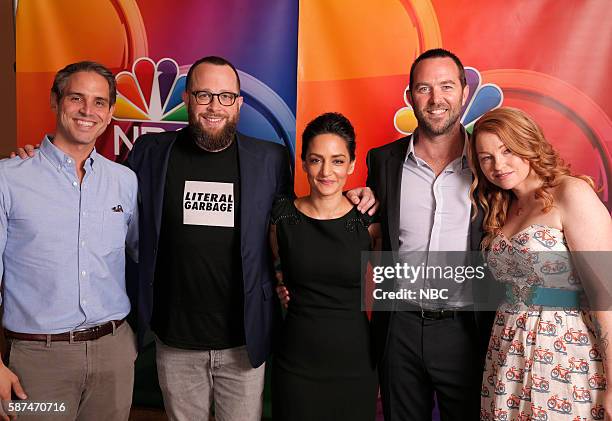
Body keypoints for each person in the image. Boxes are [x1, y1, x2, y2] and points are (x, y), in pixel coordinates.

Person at [14, 56, 376, 421]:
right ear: (186, 98)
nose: (214, 106)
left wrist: (352, 199)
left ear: (239, 103)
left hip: (245, 339)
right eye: (204, 95)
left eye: (225, 96)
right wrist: (38, 165)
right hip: (175, 340)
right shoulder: (150, 153)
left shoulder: (269, 159)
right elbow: (98, 202)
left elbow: (291, 222)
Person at [0, 61, 138, 421]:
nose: (87, 111)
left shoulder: (124, 181)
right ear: (55, 101)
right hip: (38, 363)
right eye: (76, 98)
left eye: (99, 102)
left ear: (109, 114)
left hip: (114, 354)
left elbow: (138, 255)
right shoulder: (8, 179)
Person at [365, 48, 495, 420]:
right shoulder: (382, 161)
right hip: (399, 328)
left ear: (464, 92)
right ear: (409, 97)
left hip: (467, 330)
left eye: (446, 86)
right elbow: (372, 233)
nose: (436, 99)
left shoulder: (491, 163)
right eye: (424, 88)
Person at [469, 107, 611, 420]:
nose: (499, 165)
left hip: (563, 347)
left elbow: (606, 295)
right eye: (486, 157)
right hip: (507, 347)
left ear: (529, 143)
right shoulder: (503, 207)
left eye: (507, 150)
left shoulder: (570, 192)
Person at [270, 112, 380, 421]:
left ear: (352, 165)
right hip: (296, 363)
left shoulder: (368, 223)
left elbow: (387, 296)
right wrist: (279, 287)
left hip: (356, 364)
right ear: (303, 162)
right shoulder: (281, 219)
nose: (326, 171)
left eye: (337, 160)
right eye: (316, 160)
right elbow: (271, 274)